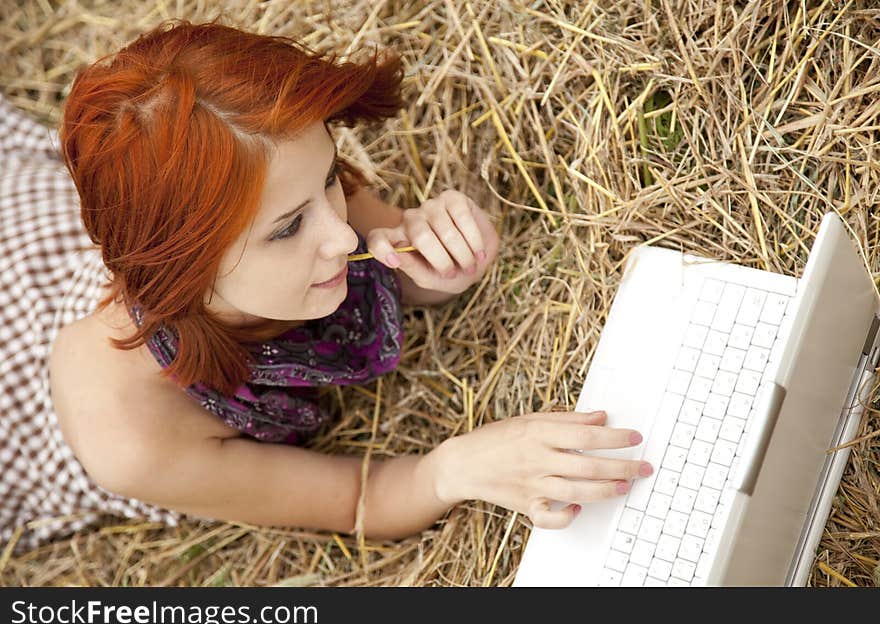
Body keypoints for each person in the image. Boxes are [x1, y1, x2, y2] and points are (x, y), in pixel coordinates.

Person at [0, 18, 652, 555]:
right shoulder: (132, 434)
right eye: (287, 230)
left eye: (332, 177)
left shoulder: (288, 183)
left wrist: (443, 258)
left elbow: (399, 262)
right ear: (186, 269)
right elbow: (356, 497)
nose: (342, 235)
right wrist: (459, 466)